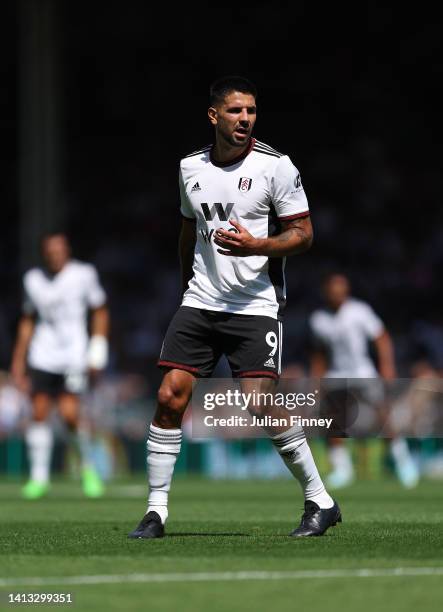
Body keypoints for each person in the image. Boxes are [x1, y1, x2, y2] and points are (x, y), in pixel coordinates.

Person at [129, 76, 341, 539]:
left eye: (251, 111)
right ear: (214, 116)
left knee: (259, 403)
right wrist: (187, 282)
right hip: (201, 301)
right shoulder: (190, 168)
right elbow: (189, 230)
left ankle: (320, 499)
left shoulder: (276, 166)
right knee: (169, 396)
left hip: (255, 303)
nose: (245, 118)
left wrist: (256, 246)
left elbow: (304, 235)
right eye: (235, 111)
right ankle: (155, 512)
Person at [10, 232, 110, 499]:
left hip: (73, 356)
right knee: (39, 413)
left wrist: (97, 350)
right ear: (45, 253)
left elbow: (99, 310)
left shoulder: (83, 274)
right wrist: (18, 360)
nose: (55, 255)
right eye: (50, 251)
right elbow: (28, 319)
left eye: (59, 250)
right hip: (42, 355)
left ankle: (88, 467)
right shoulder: (33, 280)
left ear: (66, 251)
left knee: (69, 414)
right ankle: (39, 478)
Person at [309, 272, 419, 488]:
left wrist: (387, 365)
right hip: (337, 375)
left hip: (363, 371)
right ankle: (342, 469)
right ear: (327, 293)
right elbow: (319, 353)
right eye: (334, 291)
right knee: (333, 422)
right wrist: (317, 378)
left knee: (383, 417)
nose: (338, 295)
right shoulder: (318, 319)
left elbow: (381, 338)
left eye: (341, 290)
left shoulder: (360, 311)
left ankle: (402, 462)